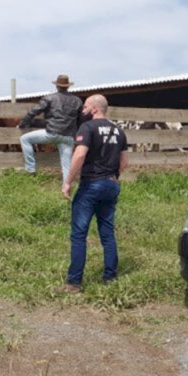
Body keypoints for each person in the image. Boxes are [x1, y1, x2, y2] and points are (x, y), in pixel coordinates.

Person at [60, 94, 128, 293]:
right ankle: (110, 277)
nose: (83, 111)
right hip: (111, 184)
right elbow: (124, 162)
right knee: (107, 233)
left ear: (95, 109)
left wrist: (67, 182)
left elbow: (79, 155)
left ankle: (74, 283)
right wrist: (114, 176)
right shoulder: (119, 131)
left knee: (79, 234)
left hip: (91, 185)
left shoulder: (87, 128)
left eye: (85, 107)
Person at [18, 74, 83, 182]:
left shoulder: (49, 98)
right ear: (68, 86)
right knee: (66, 166)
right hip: (68, 136)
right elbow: (81, 119)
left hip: (51, 132)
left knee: (24, 139)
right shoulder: (77, 101)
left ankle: (30, 169)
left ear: (57, 86)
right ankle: (66, 189)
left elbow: (33, 111)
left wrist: (23, 124)